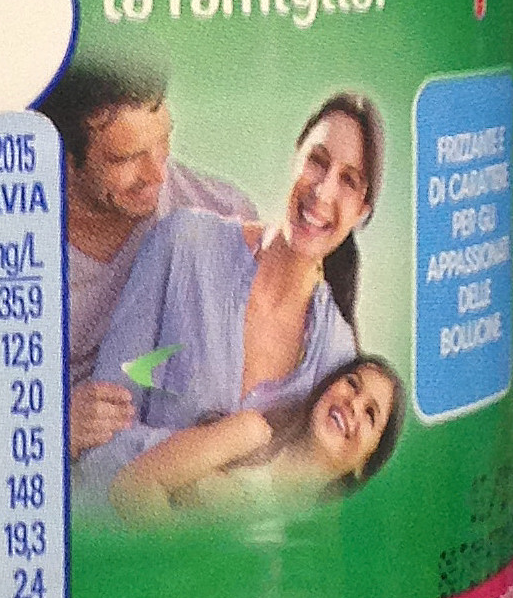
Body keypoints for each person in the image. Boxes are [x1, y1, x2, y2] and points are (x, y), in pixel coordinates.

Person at [74, 92, 387, 505]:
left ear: (362, 210)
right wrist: (212, 461)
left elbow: (300, 495)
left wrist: (181, 479)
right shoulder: (183, 243)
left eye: (349, 180)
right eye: (317, 160)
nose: (324, 191)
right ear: (296, 156)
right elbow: (101, 443)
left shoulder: (337, 357)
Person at [36, 59, 255, 396]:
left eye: (163, 141)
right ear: (62, 160)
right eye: (127, 158)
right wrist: (57, 418)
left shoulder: (225, 214)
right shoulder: (15, 253)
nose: (158, 175)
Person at [109, 355, 404, 524]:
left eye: (370, 414)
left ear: (365, 466)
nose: (353, 403)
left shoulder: (324, 533)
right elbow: (134, 485)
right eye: (352, 383)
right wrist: (193, 577)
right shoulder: (251, 434)